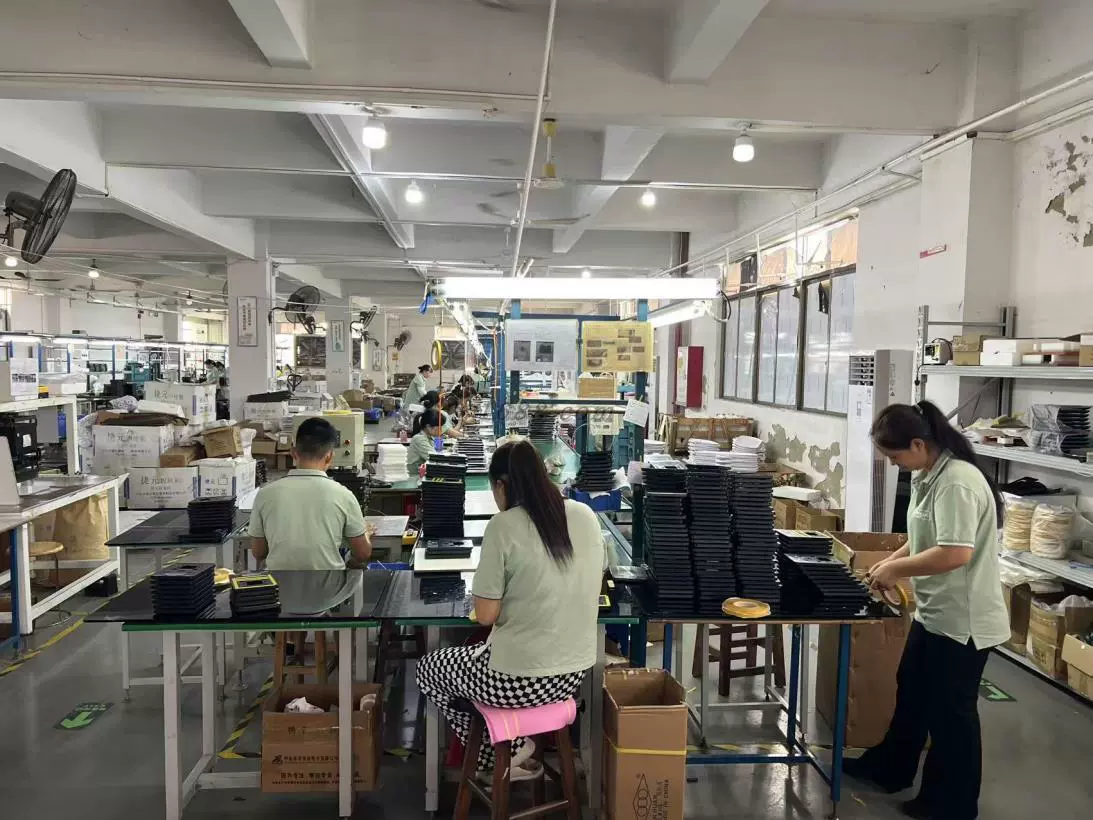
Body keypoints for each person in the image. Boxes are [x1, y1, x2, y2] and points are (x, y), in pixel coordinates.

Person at [843, 400, 1008, 820]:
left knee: (951, 714)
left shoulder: (957, 482)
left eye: (895, 456)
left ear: (918, 444)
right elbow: (923, 537)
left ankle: (951, 804)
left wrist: (896, 569)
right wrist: (887, 564)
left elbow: (954, 553)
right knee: (912, 690)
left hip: (964, 622)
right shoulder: (928, 474)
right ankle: (890, 769)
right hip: (935, 613)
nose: (894, 464)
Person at [416, 439, 606, 779]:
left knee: (429, 669)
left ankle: (503, 756)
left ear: (501, 485)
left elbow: (486, 615)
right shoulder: (586, 515)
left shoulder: (503, 527)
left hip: (513, 682)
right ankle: (511, 754)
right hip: (571, 677)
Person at [248, 417, 372, 569]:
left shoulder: (265, 494)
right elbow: (362, 553)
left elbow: (258, 553)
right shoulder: (344, 495)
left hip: (279, 583)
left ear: (293, 453)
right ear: (330, 456)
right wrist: (365, 533)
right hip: (329, 583)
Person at [406, 408, 443, 475]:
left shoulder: (429, 437)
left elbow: (438, 451)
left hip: (422, 474)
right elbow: (435, 458)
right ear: (428, 427)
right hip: (414, 476)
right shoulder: (419, 439)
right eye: (439, 427)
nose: (441, 430)